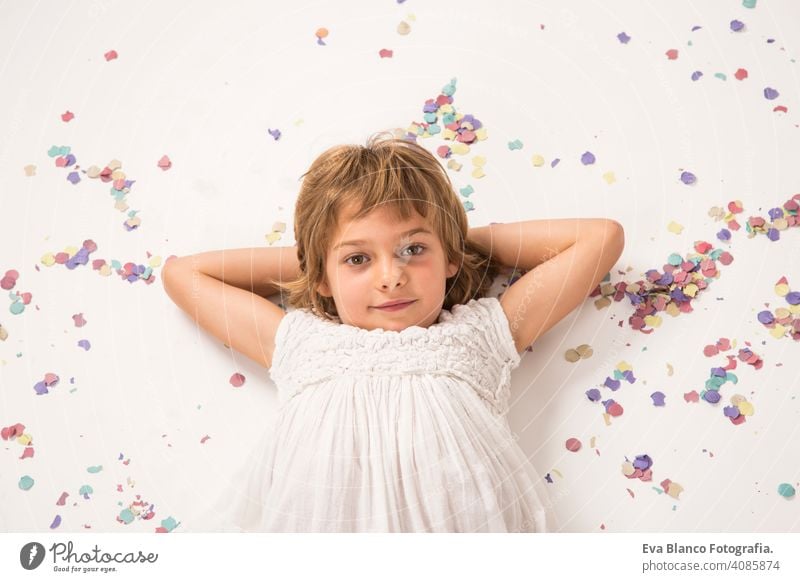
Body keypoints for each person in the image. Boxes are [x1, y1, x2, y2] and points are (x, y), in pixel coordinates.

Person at [162, 130, 625, 532]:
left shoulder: (480, 334)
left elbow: (600, 238)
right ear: (323, 275)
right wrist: (318, 259)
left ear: (450, 258)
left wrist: (453, 240)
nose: (390, 276)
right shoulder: (302, 342)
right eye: (358, 260)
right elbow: (184, 275)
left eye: (413, 249)